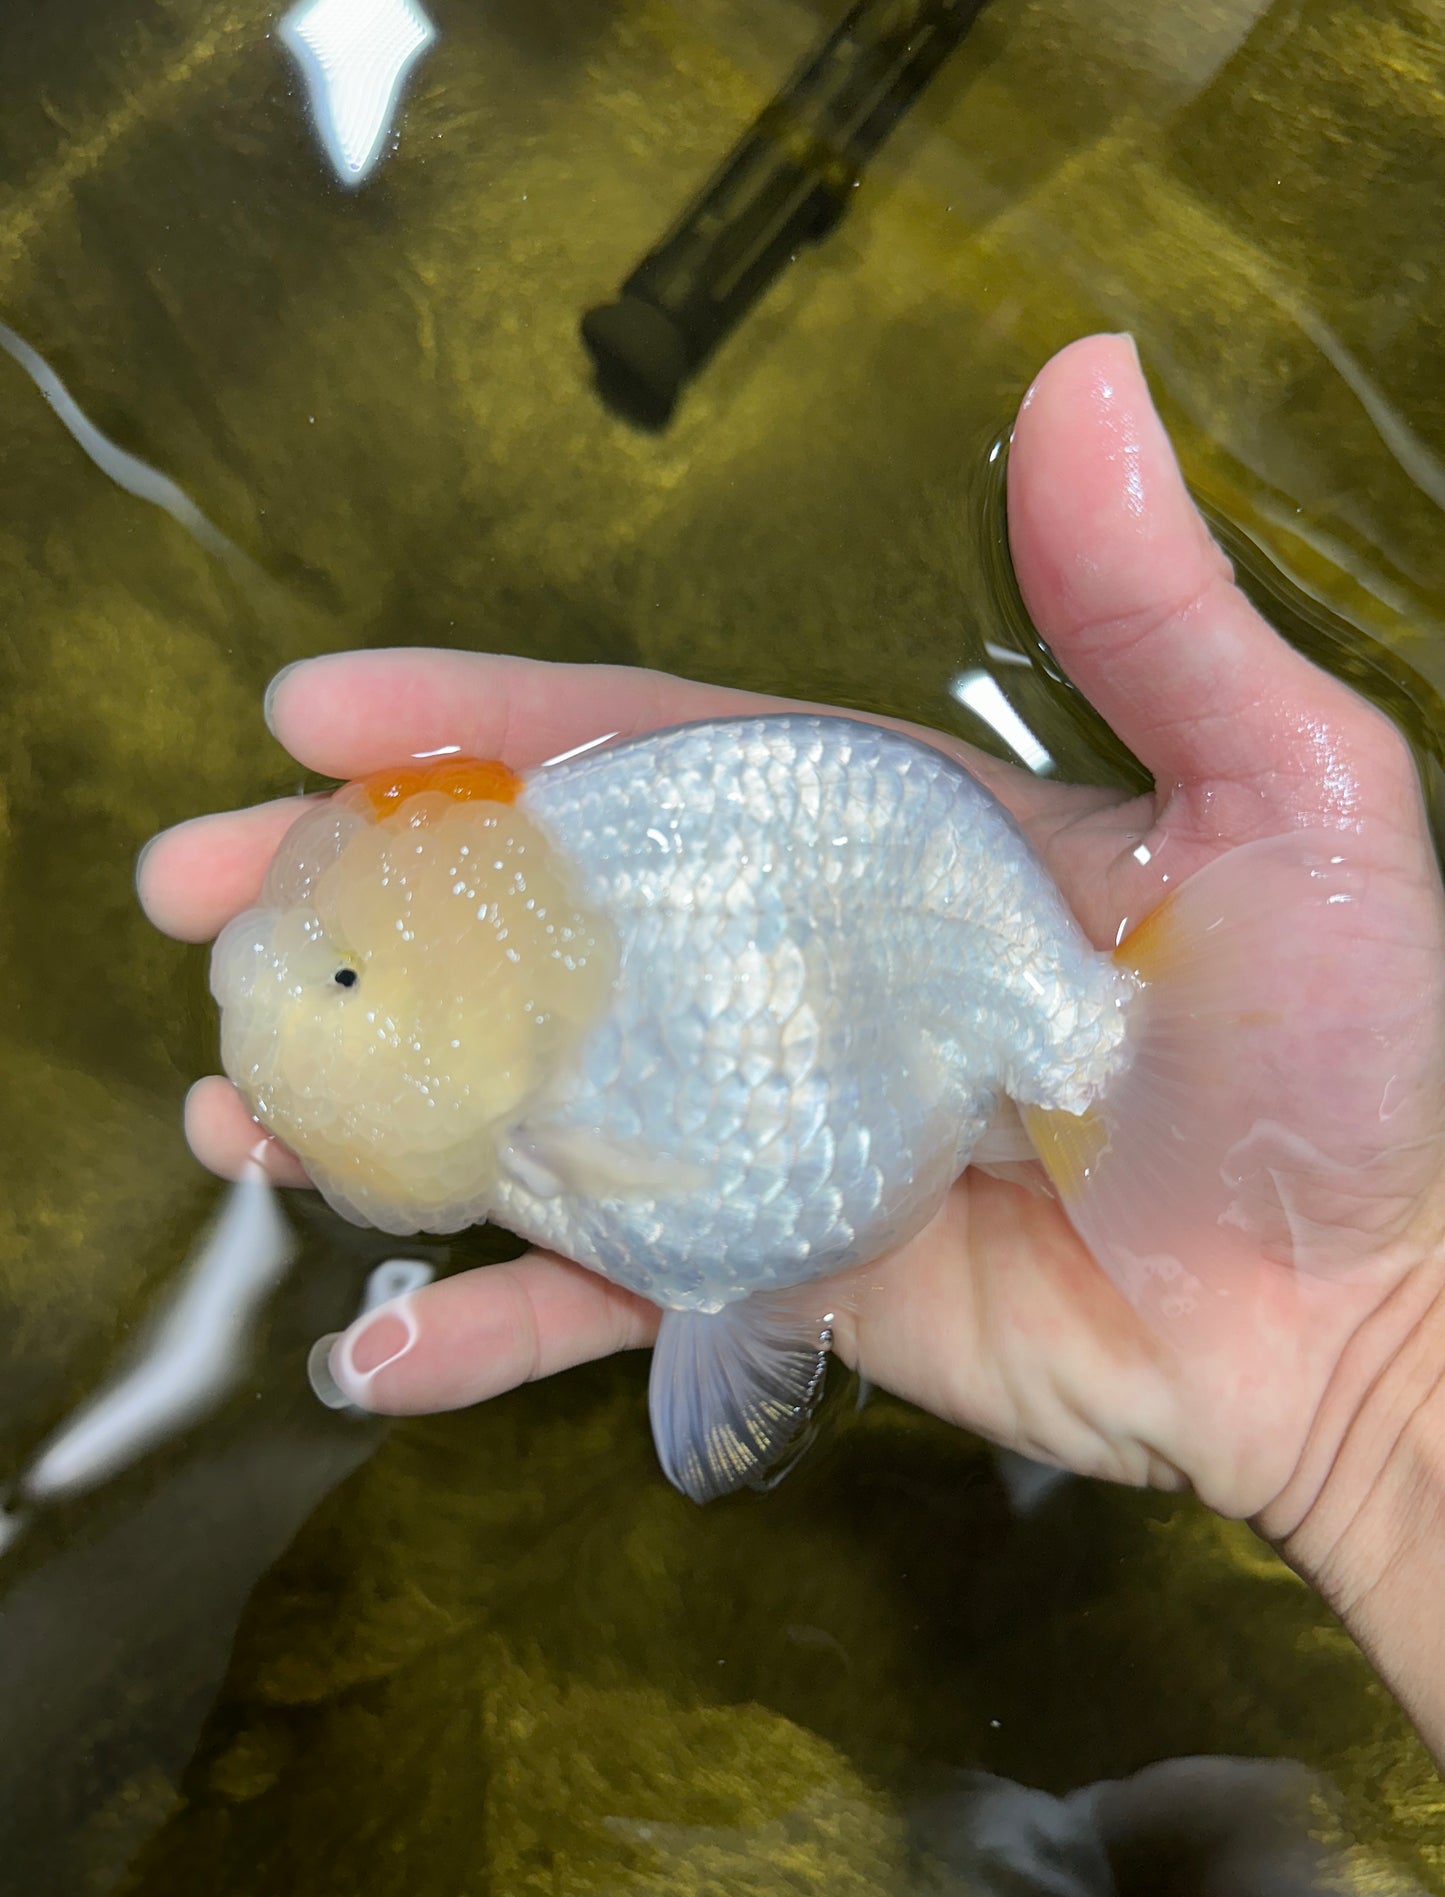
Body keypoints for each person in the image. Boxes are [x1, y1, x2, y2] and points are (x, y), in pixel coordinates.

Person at [137, 334, 1445, 1764]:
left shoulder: (529, 1065)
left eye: (334, 975)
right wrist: (1369, 1399)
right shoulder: (510, 1026)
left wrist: (1381, 1360)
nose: (296, 992)